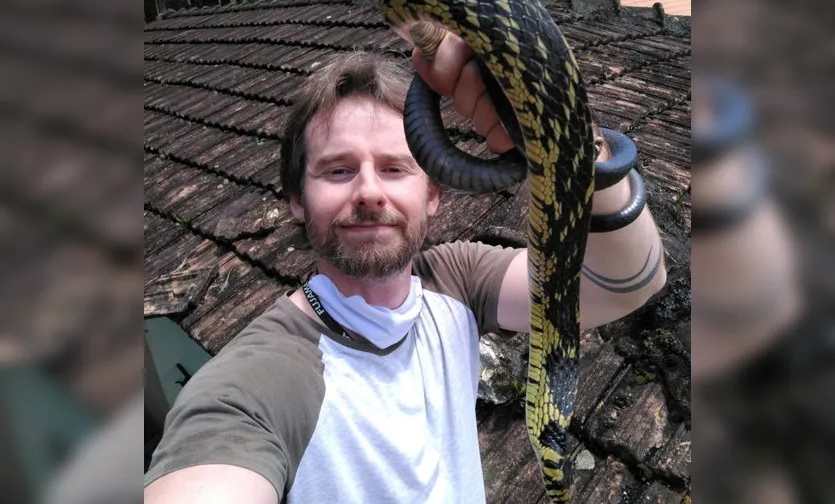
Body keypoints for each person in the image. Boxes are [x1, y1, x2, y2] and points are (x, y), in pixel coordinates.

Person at [144, 33, 667, 503]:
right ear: (297, 200)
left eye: (394, 168)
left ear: (432, 193)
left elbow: (629, 284)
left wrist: (567, 127)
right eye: (338, 170)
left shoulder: (458, 281)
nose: (369, 192)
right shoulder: (255, 383)